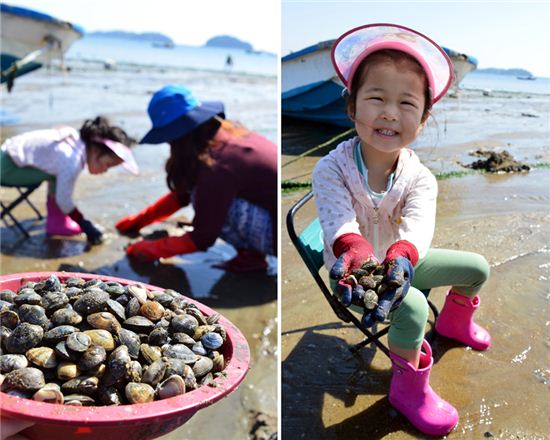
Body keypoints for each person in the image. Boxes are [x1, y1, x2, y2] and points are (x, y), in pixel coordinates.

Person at [312, 23, 491, 436]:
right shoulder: (330, 169)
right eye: (376, 98)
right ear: (351, 107)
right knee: (408, 306)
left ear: (424, 119)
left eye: (407, 103)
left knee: (477, 268)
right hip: (354, 273)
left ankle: (452, 325)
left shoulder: (421, 178)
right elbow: (339, 221)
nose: (391, 112)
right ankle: (407, 390)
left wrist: (403, 255)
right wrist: (352, 246)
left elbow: (418, 228)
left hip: (403, 261)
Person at [116, 85, 277, 272]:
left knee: (207, 197)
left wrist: (146, 249)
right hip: (272, 218)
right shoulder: (224, 134)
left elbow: (202, 238)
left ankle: (251, 256)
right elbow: (183, 193)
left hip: (276, 236)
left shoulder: (217, 164)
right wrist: (139, 221)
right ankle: (251, 255)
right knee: (202, 192)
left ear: (178, 135)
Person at [0, 116, 138, 244]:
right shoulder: (72, 160)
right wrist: (84, 224)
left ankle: (56, 221)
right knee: (58, 178)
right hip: (6, 169)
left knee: (56, 173)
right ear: (96, 150)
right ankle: (57, 223)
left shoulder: (75, 139)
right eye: (107, 164)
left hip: (6, 156)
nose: (105, 170)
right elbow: (64, 199)